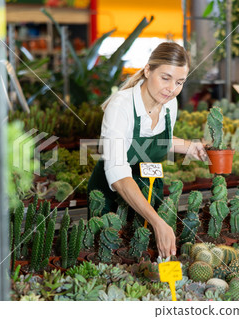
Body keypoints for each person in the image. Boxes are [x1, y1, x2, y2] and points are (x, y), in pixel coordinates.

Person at [87, 42, 208, 258]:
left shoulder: (170, 103)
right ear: (148, 70)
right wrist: (157, 221)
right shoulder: (120, 106)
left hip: (149, 186)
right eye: (165, 78)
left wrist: (191, 147)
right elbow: (118, 175)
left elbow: (158, 140)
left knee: (146, 258)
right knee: (112, 257)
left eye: (179, 82)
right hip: (113, 195)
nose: (172, 89)